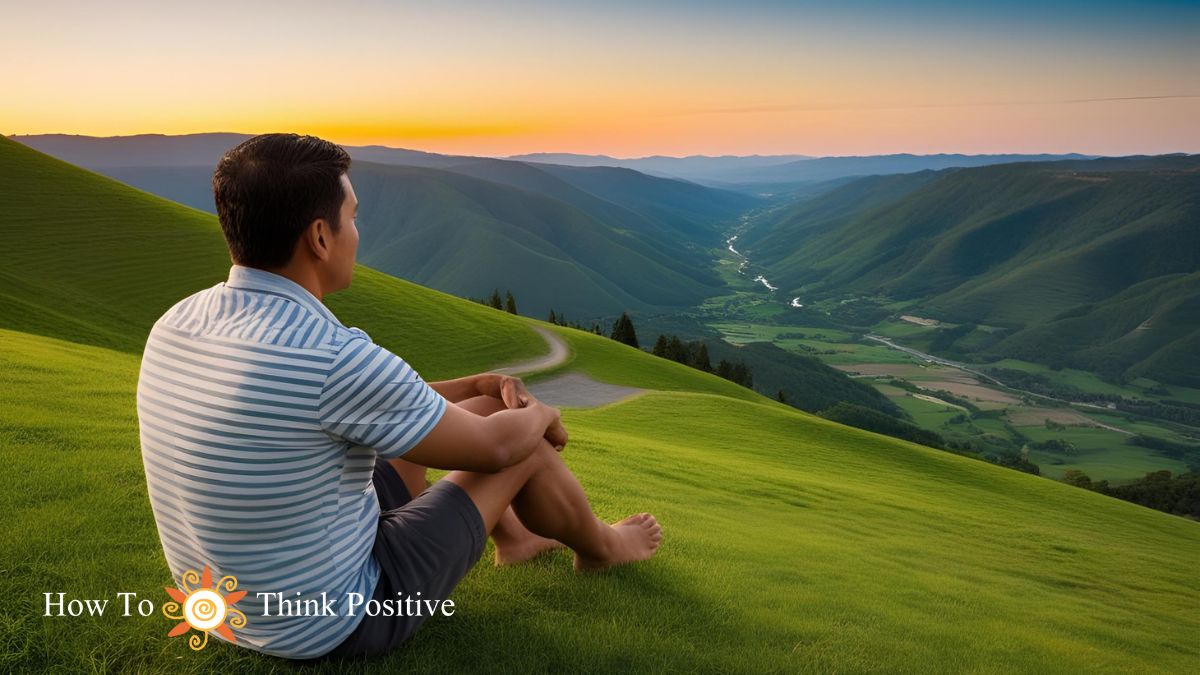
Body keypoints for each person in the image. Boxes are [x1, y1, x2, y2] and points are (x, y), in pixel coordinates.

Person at [135, 133, 662, 661]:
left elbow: (353, 405)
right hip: (333, 623)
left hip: (224, 604)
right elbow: (496, 450)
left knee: (481, 411)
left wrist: (477, 386)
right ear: (320, 237)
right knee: (522, 445)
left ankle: (518, 540)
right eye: (354, 217)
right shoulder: (329, 354)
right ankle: (603, 549)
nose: (357, 233)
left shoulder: (179, 322)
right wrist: (543, 413)